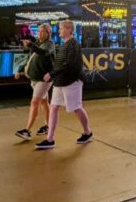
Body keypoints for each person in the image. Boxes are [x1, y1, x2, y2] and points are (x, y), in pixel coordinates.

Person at [34, 19, 93, 149]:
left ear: (68, 30)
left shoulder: (73, 44)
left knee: (76, 108)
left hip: (72, 82)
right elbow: (59, 63)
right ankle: (50, 139)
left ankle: (88, 132)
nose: (59, 31)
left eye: (60, 28)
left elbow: (69, 64)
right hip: (60, 82)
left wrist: (52, 74)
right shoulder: (64, 44)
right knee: (54, 107)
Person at [14, 24, 54, 141]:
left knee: (34, 102)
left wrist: (31, 45)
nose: (40, 34)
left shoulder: (49, 44)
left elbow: (44, 52)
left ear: (48, 33)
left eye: (43, 32)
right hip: (35, 79)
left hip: (43, 80)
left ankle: (27, 130)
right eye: (39, 32)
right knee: (43, 102)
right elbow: (30, 60)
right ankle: (48, 125)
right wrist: (21, 70)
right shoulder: (37, 43)